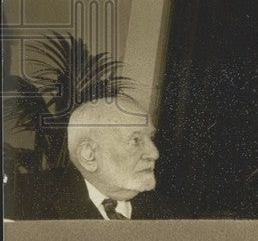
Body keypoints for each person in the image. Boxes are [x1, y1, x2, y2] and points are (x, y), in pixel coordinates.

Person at [12, 93, 188, 219]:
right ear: (89, 155)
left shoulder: (171, 215)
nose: (154, 153)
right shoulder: (20, 201)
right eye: (136, 140)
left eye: (150, 138)